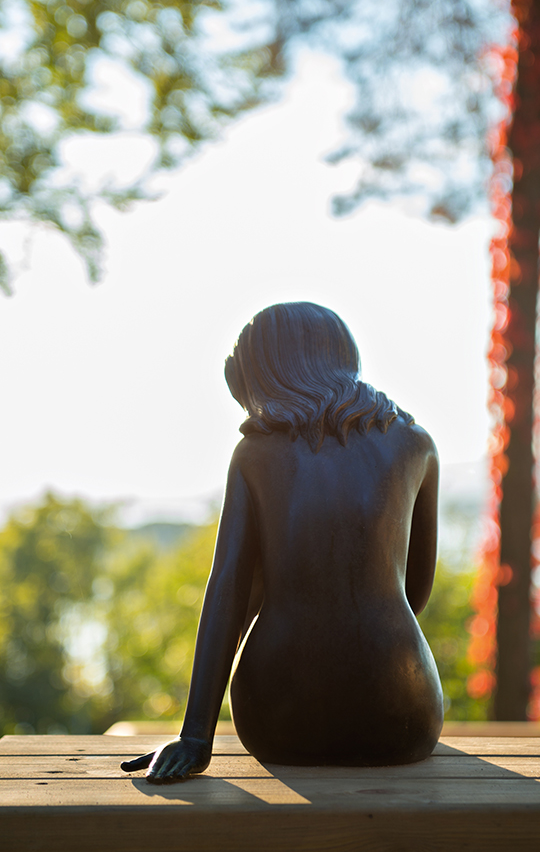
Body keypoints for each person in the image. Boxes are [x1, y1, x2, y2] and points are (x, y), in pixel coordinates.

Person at [121, 302, 443, 783]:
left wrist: (194, 738)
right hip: (400, 714)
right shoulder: (417, 445)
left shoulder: (254, 454)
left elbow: (227, 591)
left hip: (279, 716)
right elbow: (415, 592)